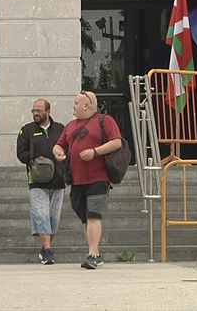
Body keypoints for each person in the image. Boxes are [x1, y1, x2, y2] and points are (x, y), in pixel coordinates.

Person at [53, 91, 122, 269]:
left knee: (93, 215)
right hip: (76, 179)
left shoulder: (105, 121)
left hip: (97, 177)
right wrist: (58, 151)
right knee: (85, 218)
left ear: (86, 105)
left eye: (76, 102)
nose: (73, 105)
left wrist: (95, 152)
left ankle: (92, 254)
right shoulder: (70, 125)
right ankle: (96, 252)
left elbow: (117, 142)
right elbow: (59, 144)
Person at [16, 98, 65, 265]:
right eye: (33, 111)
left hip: (58, 180)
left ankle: (46, 248)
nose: (36, 113)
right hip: (37, 180)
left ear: (48, 111)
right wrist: (34, 158)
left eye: (39, 110)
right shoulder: (27, 130)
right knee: (42, 215)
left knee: (53, 219)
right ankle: (49, 251)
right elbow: (20, 153)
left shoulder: (60, 129)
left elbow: (68, 148)